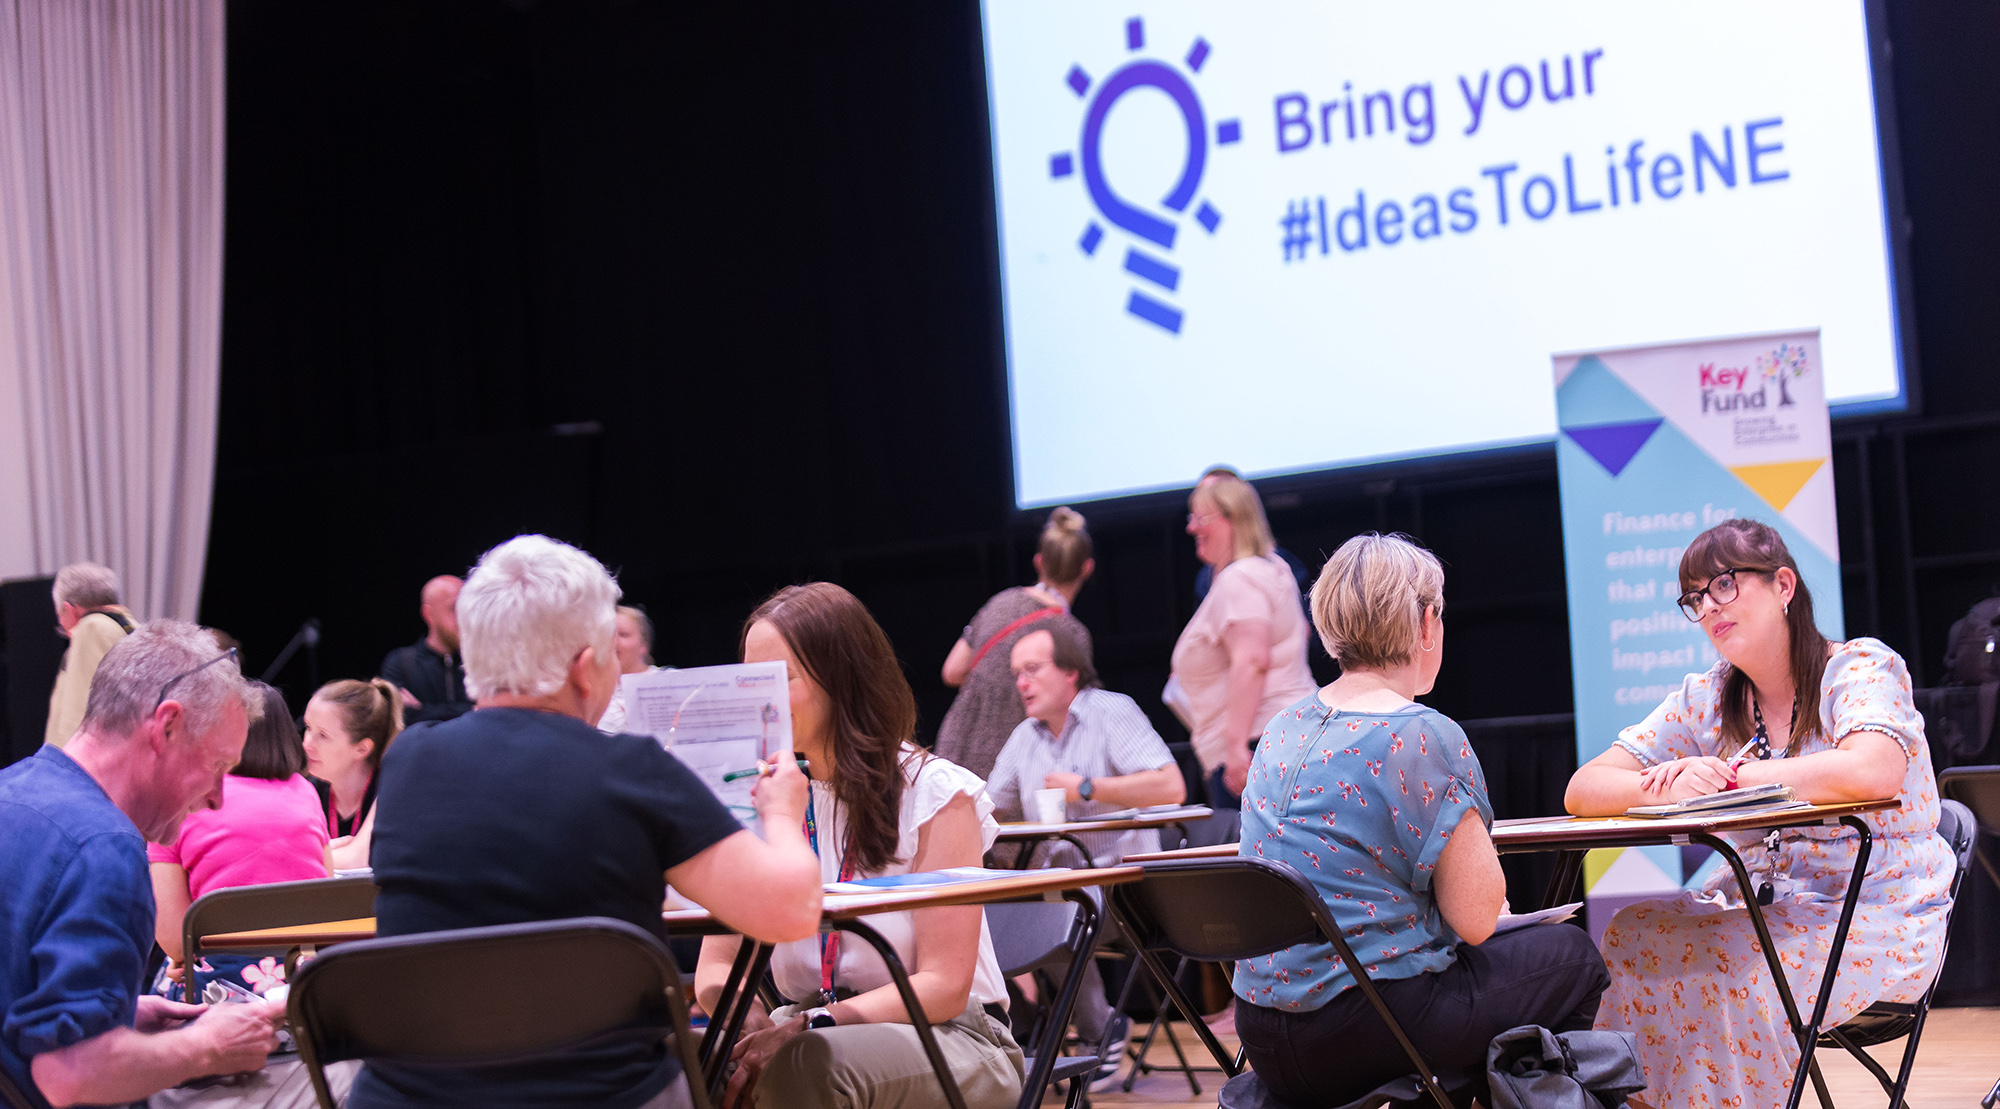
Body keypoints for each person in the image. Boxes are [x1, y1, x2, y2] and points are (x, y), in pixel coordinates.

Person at [355, 535, 822, 1109]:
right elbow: (792, 909)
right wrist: (781, 811)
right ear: (584, 667)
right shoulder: (633, 770)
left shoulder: (406, 762)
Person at [1566, 518, 1955, 1109]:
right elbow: (1584, 788)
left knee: (1734, 961)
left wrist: (1728, 780)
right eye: (1695, 598)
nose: (1709, 607)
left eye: (1724, 584)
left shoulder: (1856, 668)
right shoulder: (1708, 697)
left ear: (1783, 585)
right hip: (1757, 907)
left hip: (1874, 912)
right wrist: (1673, 789)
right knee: (1631, 934)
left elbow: (1872, 769)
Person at [1234, 533, 1609, 1107]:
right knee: (1573, 956)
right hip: (1365, 1027)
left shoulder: (1280, 730)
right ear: (1427, 623)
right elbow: (1480, 920)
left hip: (1262, 1035)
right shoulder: (1421, 734)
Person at [697, 582, 1024, 1109]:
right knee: (683, 1057)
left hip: (951, 1036)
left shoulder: (935, 793)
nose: (762, 703)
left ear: (841, 681)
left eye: (780, 680)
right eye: (750, 683)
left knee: (803, 1066)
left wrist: (811, 1025)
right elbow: (716, 964)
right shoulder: (762, 797)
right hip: (805, 1023)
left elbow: (943, 986)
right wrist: (745, 1016)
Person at [1, 620, 347, 1109]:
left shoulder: (12, 791)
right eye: (218, 768)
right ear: (166, 726)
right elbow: (69, 1075)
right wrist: (207, 1047)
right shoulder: (106, 849)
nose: (216, 798)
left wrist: (120, 1014)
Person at [984, 623, 1183, 1075]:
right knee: (988, 916)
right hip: (1067, 886)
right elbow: (990, 807)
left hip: (1129, 887)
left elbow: (1170, 786)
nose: (1022, 683)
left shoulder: (1110, 712)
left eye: (1032, 669)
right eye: (1017, 673)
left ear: (1070, 671)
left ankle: (1098, 1029)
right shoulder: (1025, 737)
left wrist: (1087, 787)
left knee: (1053, 916)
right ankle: (1027, 1033)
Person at [151, 682, 331, 1001]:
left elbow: (174, 939)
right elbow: (326, 895)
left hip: (220, 997)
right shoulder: (307, 792)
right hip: (307, 992)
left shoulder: (188, 797)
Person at [1171, 471, 1317, 831]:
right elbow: (1298, 633)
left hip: (1256, 748)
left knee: (1265, 874)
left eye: (1201, 518)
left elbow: (1252, 660)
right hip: (1281, 740)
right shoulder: (1273, 568)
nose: (1191, 528)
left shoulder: (1242, 578)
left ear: (1231, 519)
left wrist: (1235, 748)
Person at [935, 506, 1094, 781]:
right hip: (1013, 760)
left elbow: (952, 671)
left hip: (955, 749)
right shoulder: (1073, 635)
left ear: (1038, 562)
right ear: (1088, 567)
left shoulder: (1001, 602)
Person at [302, 678, 402, 871]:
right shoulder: (306, 790)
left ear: (362, 749)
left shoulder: (392, 788)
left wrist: (312, 855)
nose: (307, 744)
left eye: (322, 735)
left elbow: (355, 861)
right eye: (308, 728)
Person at [44, 561, 136, 748]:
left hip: (78, 769)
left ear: (69, 609)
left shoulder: (92, 628)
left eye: (59, 615)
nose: (62, 624)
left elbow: (79, 716)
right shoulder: (130, 627)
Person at [377, 575, 472, 724]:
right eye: (454, 608)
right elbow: (400, 718)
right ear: (429, 614)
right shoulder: (400, 663)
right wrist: (469, 710)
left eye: (466, 608)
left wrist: (421, 710)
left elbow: (491, 713)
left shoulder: (480, 662)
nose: (464, 617)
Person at [598, 604, 663, 734]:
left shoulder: (665, 682)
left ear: (644, 645)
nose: (614, 642)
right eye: (609, 634)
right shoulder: (591, 688)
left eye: (623, 634)